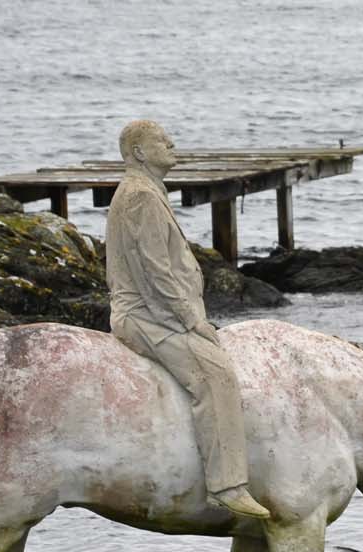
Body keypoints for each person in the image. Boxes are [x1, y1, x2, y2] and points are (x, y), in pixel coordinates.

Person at [105, 118, 271, 521]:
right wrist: (189, 320)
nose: (172, 143)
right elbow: (154, 270)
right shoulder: (140, 196)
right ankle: (226, 486)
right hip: (146, 314)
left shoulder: (145, 191)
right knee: (215, 375)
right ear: (140, 152)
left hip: (152, 310)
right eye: (162, 140)